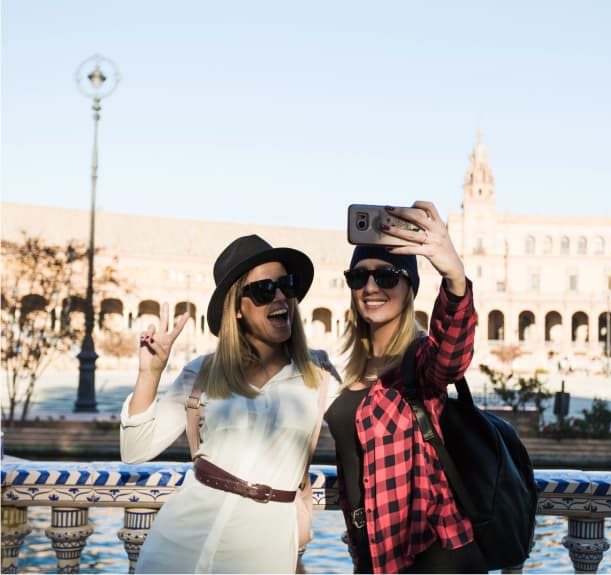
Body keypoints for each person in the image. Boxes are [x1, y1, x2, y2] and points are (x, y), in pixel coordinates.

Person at [120, 234, 334, 574]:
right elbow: (135, 449)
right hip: (178, 546)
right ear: (236, 307)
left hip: (262, 555)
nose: (280, 296)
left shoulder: (319, 375)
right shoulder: (203, 372)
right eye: (264, 290)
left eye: (286, 285)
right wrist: (150, 373)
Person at [325, 202, 486, 574]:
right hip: (374, 559)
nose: (370, 287)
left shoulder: (419, 363)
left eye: (386, 276)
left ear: (409, 286)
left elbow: (452, 355)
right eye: (358, 277)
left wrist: (455, 278)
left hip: (433, 558)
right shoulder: (351, 368)